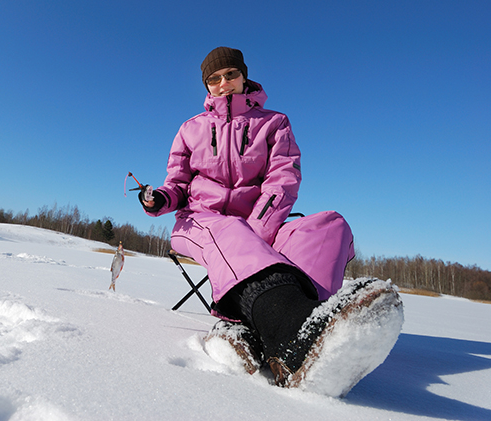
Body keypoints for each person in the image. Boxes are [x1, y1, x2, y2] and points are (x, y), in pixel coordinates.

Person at [138, 47, 363, 387]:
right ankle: (289, 327)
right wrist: (159, 199)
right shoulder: (190, 129)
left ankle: (305, 328)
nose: (223, 83)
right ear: (206, 86)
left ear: (243, 77)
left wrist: (257, 228)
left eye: (230, 75)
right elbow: (178, 184)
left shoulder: (274, 123)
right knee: (229, 228)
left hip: (259, 225)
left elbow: (283, 180)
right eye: (214, 79)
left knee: (329, 225)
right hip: (200, 223)